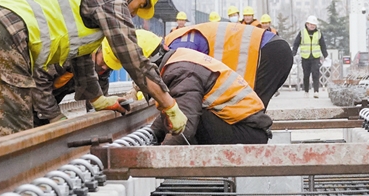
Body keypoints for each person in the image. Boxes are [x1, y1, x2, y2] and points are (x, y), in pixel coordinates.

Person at [0, 0, 186, 142]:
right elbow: (133, 58)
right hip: (6, 33)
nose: (135, 14)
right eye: (139, 5)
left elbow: (80, 56)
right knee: (13, 139)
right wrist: (169, 105)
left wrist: (98, 99)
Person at [133, 31, 272, 146]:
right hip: (246, 129)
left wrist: (161, 154)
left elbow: (185, 123)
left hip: (247, 133)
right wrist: (154, 133)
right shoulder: (178, 61)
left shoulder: (182, 72)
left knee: (186, 122)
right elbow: (174, 107)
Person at [164, 20, 293, 108]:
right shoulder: (179, 39)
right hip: (274, 50)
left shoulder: (178, 44)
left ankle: (254, 145)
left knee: (251, 109)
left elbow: (185, 82)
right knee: (252, 107)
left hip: (270, 52)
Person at [31, 46, 111, 126]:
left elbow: (96, 100)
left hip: (48, 100)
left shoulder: (102, 71)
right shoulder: (67, 59)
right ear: (96, 52)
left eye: (109, 66)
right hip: (30, 94)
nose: (104, 67)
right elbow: (38, 82)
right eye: (103, 61)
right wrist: (54, 116)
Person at [290, 15, 327, 98]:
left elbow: (322, 45)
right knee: (306, 75)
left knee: (315, 74)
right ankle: (306, 91)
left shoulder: (319, 34)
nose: (312, 26)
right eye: (310, 24)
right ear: (307, 24)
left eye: (313, 25)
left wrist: (325, 55)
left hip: (315, 57)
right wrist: (294, 52)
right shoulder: (302, 33)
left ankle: (316, 91)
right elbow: (296, 43)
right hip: (305, 57)